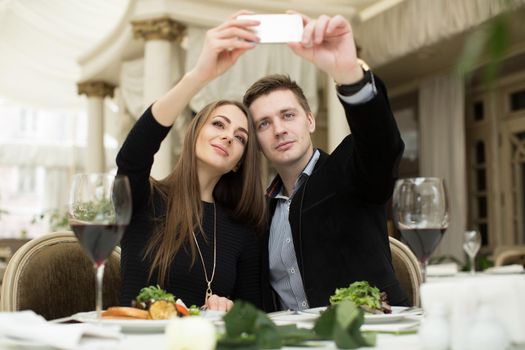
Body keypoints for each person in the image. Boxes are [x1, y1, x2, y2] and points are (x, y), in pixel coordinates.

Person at [242, 13, 410, 311]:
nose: (279, 128)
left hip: (370, 334)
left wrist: (349, 76)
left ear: (309, 120)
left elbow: (381, 146)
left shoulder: (350, 171)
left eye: (288, 115)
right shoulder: (259, 213)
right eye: (264, 124)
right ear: (256, 140)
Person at [116, 12, 265, 311]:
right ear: (194, 132)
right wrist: (199, 75)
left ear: (239, 162)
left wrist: (231, 308)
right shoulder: (143, 198)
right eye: (218, 125)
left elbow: (256, 312)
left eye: (240, 137)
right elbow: (132, 155)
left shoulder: (244, 229)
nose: (227, 137)